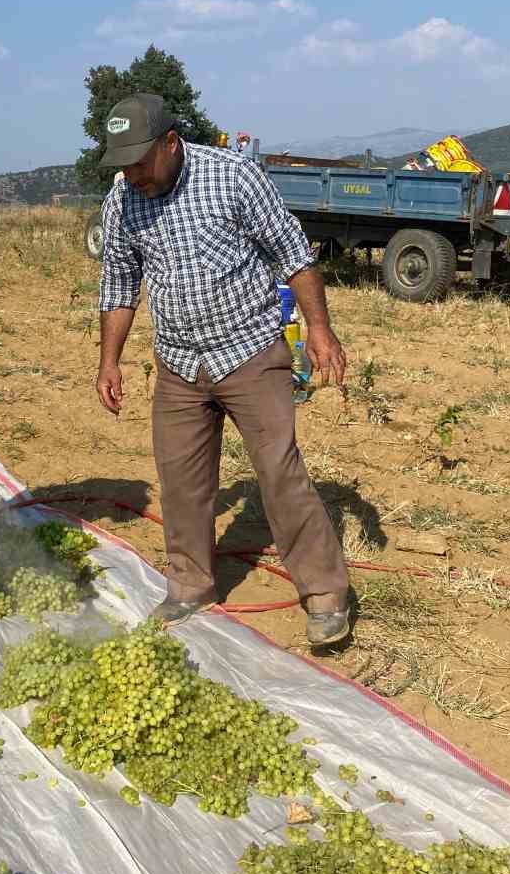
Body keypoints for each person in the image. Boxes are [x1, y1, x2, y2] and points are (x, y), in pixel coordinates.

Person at [95, 94, 351, 648]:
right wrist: (108, 360)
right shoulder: (122, 198)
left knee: (279, 472)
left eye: (140, 160)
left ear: (170, 142)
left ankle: (325, 591)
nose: (131, 173)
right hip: (180, 363)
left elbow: (294, 255)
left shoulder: (231, 177)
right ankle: (190, 583)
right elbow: (118, 283)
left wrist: (319, 330)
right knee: (181, 481)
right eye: (122, 163)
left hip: (250, 352)